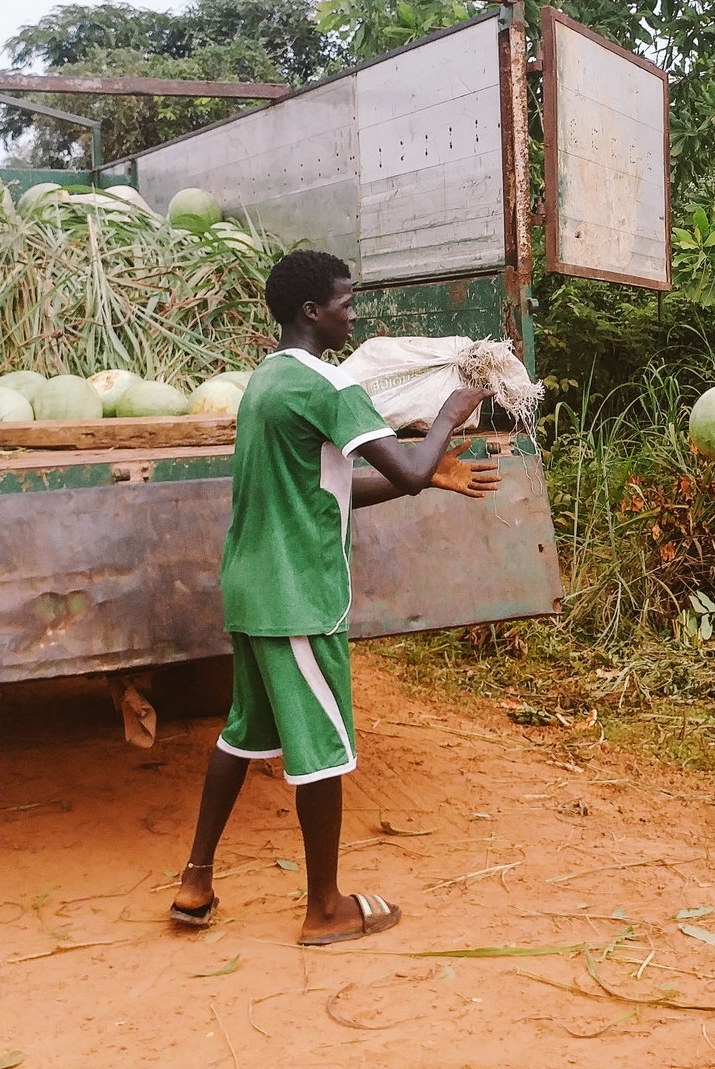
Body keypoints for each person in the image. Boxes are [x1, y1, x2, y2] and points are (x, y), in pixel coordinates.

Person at [169, 249, 502, 945]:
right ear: (312, 312)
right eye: (346, 304)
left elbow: (328, 487)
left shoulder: (267, 380)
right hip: (300, 594)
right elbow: (407, 470)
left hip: (253, 585)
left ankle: (195, 881)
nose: (355, 314)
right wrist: (449, 414)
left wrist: (429, 477)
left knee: (240, 734)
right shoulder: (329, 388)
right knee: (323, 750)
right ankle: (325, 909)